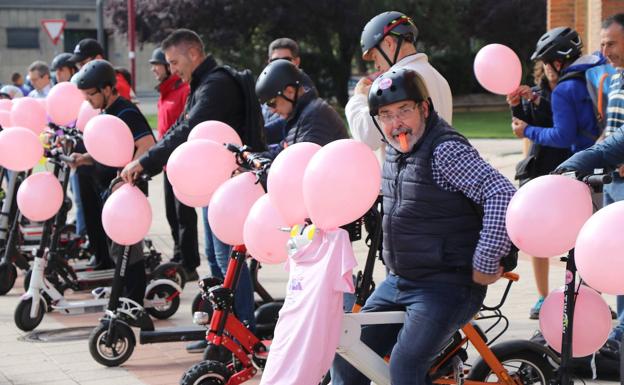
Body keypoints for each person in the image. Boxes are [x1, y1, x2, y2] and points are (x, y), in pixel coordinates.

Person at [331, 68, 516, 385]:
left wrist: (486, 258)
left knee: (405, 367)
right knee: (348, 356)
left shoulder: (445, 150)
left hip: (446, 286)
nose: (396, 123)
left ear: (424, 109)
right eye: (386, 115)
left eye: (404, 110)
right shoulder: (395, 151)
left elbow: (502, 193)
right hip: (400, 281)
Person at [119, 29, 256, 332]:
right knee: (217, 259)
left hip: (227, 186)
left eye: (174, 61)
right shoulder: (201, 85)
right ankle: (224, 330)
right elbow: (177, 130)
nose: (172, 69)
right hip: (213, 185)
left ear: (193, 53)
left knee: (229, 261)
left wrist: (144, 162)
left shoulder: (215, 86)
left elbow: (185, 131)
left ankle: (242, 330)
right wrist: (147, 162)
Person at [70, 59, 155, 304]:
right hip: (112, 190)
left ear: (107, 89)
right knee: (118, 249)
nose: (88, 101)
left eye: (91, 95)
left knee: (128, 248)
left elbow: (147, 144)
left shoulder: (125, 111)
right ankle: (124, 295)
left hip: (126, 192)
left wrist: (126, 175)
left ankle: (134, 301)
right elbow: (111, 149)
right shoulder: (108, 111)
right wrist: (84, 158)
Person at [506, 61, 572, 319]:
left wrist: (534, 100)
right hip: (539, 168)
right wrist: (514, 104)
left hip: (568, 166)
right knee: (537, 237)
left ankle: (587, 295)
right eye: (544, 63)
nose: (549, 68)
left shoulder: (570, 91)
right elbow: (521, 128)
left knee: (577, 236)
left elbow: (561, 126)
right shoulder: (537, 93)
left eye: (553, 62)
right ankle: (543, 296)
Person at [346, 11, 453, 164]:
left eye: (375, 57)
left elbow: (367, 138)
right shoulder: (438, 77)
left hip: (413, 176)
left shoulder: (395, 80)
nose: (376, 65)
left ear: (389, 43)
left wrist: (358, 98)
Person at [148, 47, 206, 278]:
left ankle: (189, 264)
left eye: (157, 64)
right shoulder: (164, 92)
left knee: (184, 215)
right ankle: (178, 254)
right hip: (166, 164)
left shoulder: (182, 91)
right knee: (172, 213)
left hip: (182, 163)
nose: (154, 69)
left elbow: (184, 127)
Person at [511, 27, 604, 154]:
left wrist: (527, 130)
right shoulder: (602, 67)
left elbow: (563, 137)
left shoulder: (564, 90)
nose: (546, 67)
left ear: (558, 63)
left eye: (545, 62)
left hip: (591, 159)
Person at [255, 59, 348, 156]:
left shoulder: (314, 116)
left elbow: (301, 161)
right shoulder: (299, 116)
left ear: (290, 92)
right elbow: (278, 154)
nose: (272, 110)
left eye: (272, 103)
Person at [50, 52, 86, 238]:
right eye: (56, 71)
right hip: (66, 153)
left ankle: (82, 235)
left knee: (81, 197)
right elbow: (54, 121)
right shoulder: (58, 92)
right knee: (74, 193)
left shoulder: (79, 92)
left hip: (81, 153)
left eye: (61, 70)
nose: (58, 74)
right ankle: (82, 232)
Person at [263, 38, 317, 147]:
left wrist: (260, 134)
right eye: (275, 61)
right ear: (269, 62)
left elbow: (293, 119)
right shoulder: (268, 83)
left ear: (297, 61)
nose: (280, 64)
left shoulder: (304, 85)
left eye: (286, 59)